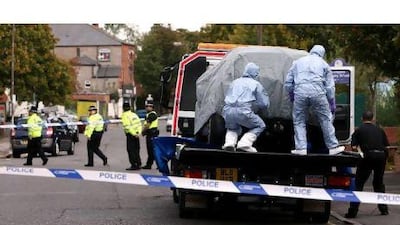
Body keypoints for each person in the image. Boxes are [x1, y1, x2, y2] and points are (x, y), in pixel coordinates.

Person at [284, 44, 344, 155]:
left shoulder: (297, 62)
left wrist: (292, 94)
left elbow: (288, 82)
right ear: (322, 54)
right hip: (318, 93)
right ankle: (333, 147)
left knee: (299, 120)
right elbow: (330, 87)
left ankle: (301, 148)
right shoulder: (324, 64)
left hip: (300, 93)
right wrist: (331, 102)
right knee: (325, 119)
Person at [345, 110, 389, 218]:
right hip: (381, 157)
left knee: (359, 183)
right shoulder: (380, 130)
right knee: (379, 183)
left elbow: (354, 147)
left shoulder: (359, 130)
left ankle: (353, 211)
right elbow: (387, 146)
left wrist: (360, 154)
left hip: (367, 157)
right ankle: (383, 209)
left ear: (362, 119)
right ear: (373, 118)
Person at [222, 62, 270, 152]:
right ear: (255, 73)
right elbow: (264, 104)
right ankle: (245, 144)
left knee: (232, 127)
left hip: (228, 111)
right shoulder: (256, 84)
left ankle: (229, 144)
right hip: (243, 111)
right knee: (260, 125)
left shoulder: (234, 82)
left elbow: (227, 95)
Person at [121, 102, 142, 170]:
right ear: (130, 107)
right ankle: (138, 163)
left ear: (123, 108)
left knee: (130, 150)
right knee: (136, 149)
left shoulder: (124, 115)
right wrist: (138, 133)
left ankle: (134, 165)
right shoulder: (134, 114)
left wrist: (133, 134)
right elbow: (139, 124)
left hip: (131, 135)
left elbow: (127, 126)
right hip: (137, 134)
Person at [141, 101, 159, 169]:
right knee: (151, 150)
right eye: (147, 106)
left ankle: (152, 164)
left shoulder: (152, 114)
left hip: (152, 134)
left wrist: (143, 131)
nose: (148, 107)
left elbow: (148, 125)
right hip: (150, 134)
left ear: (152, 107)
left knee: (152, 150)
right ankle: (149, 164)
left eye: (150, 106)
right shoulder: (148, 114)